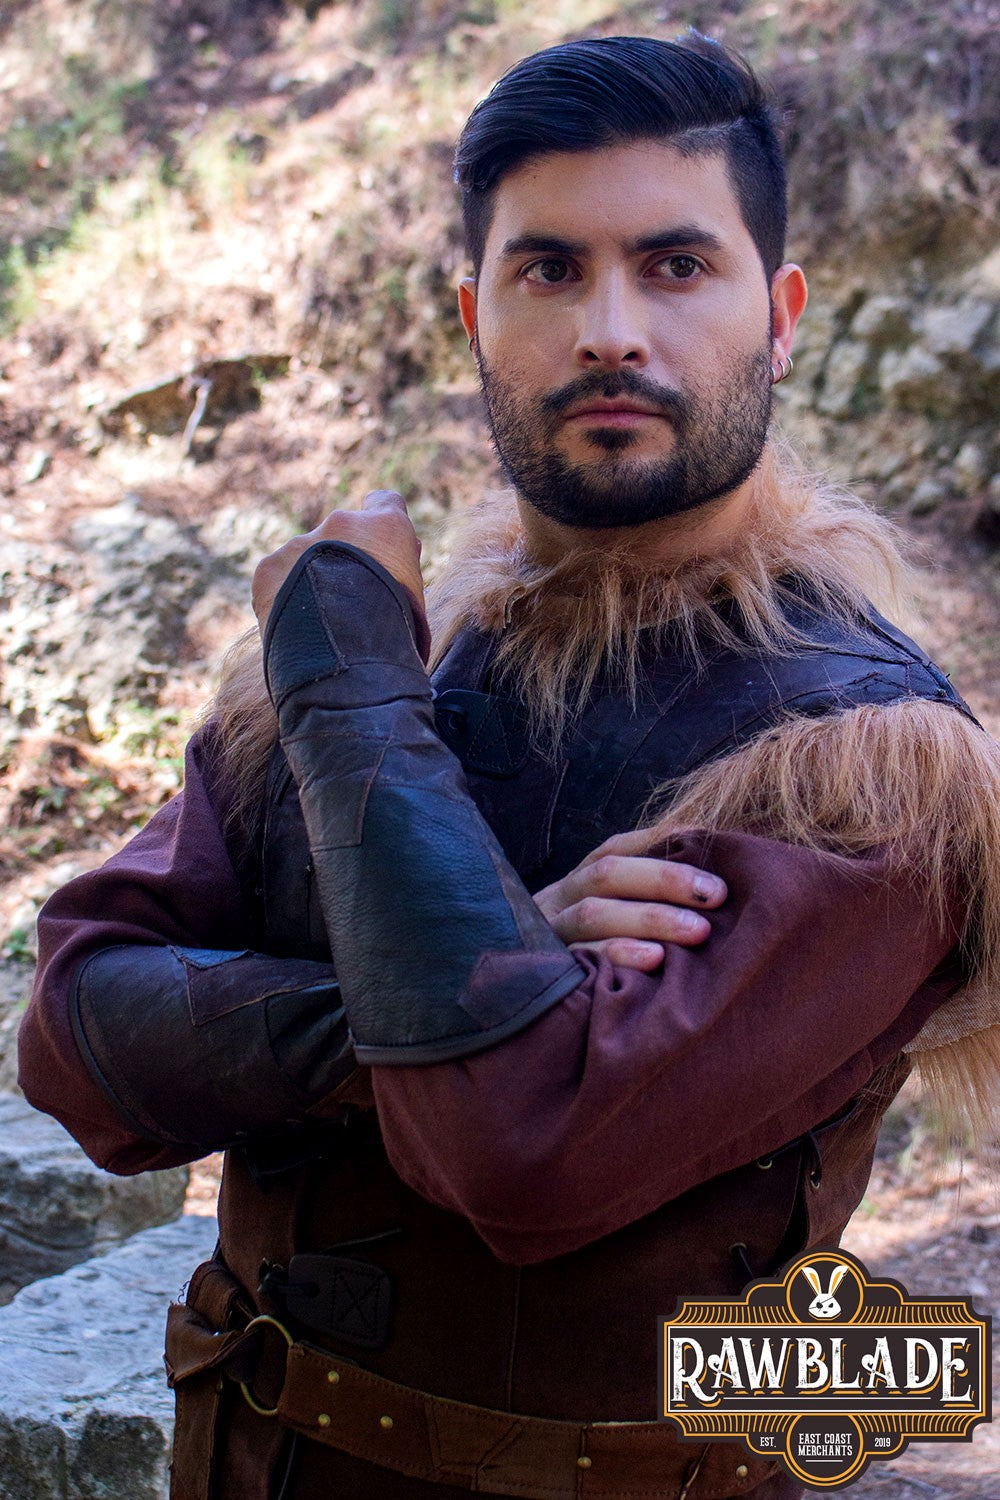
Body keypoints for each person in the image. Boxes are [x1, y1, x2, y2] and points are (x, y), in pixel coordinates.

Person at [18, 31, 1000, 1500]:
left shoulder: (863, 763)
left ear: (780, 317)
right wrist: (483, 975)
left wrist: (351, 695)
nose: (612, 330)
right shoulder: (409, 645)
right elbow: (77, 1026)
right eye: (550, 270)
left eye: (677, 266)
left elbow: (524, 1150)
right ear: (476, 317)